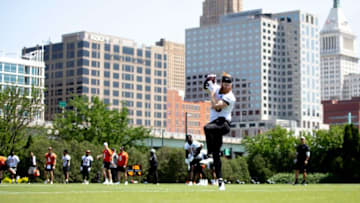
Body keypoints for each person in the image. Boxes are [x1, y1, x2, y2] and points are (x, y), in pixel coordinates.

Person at [203, 72, 235, 191]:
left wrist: (211, 94)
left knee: (207, 128)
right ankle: (221, 182)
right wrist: (209, 80)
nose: (226, 86)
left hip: (223, 124)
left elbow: (216, 106)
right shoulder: (216, 88)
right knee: (217, 156)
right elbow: (206, 85)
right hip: (215, 125)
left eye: (228, 85)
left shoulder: (230, 97)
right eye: (225, 83)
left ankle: (209, 151)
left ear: (231, 86)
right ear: (222, 83)